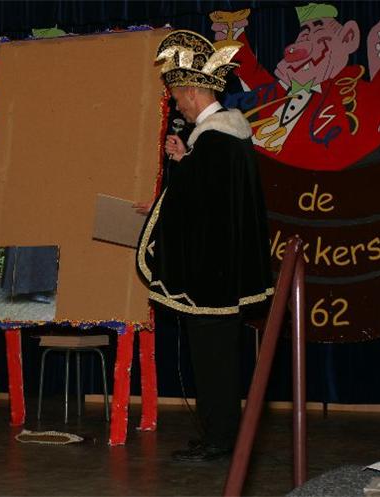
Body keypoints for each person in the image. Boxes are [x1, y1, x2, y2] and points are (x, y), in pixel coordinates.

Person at [136, 30, 273, 462]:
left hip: (209, 280)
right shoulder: (225, 139)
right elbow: (211, 197)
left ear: (194, 92)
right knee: (218, 358)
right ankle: (220, 433)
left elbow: (196, 206)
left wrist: (163, 201)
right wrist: (185, 161)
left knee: (214, 361)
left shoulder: (214, 142)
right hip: (223, 274)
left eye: (178, 97)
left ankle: (221, 438)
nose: (177, 105)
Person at [211, 3, 380, 170]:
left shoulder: (344, 92)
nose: (304, 41)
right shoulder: (277, 92)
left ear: (348, 37)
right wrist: (234, 34)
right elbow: (252, 72)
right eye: (304, 33)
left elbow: (371, 112)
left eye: (318, 30)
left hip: (310, 191)